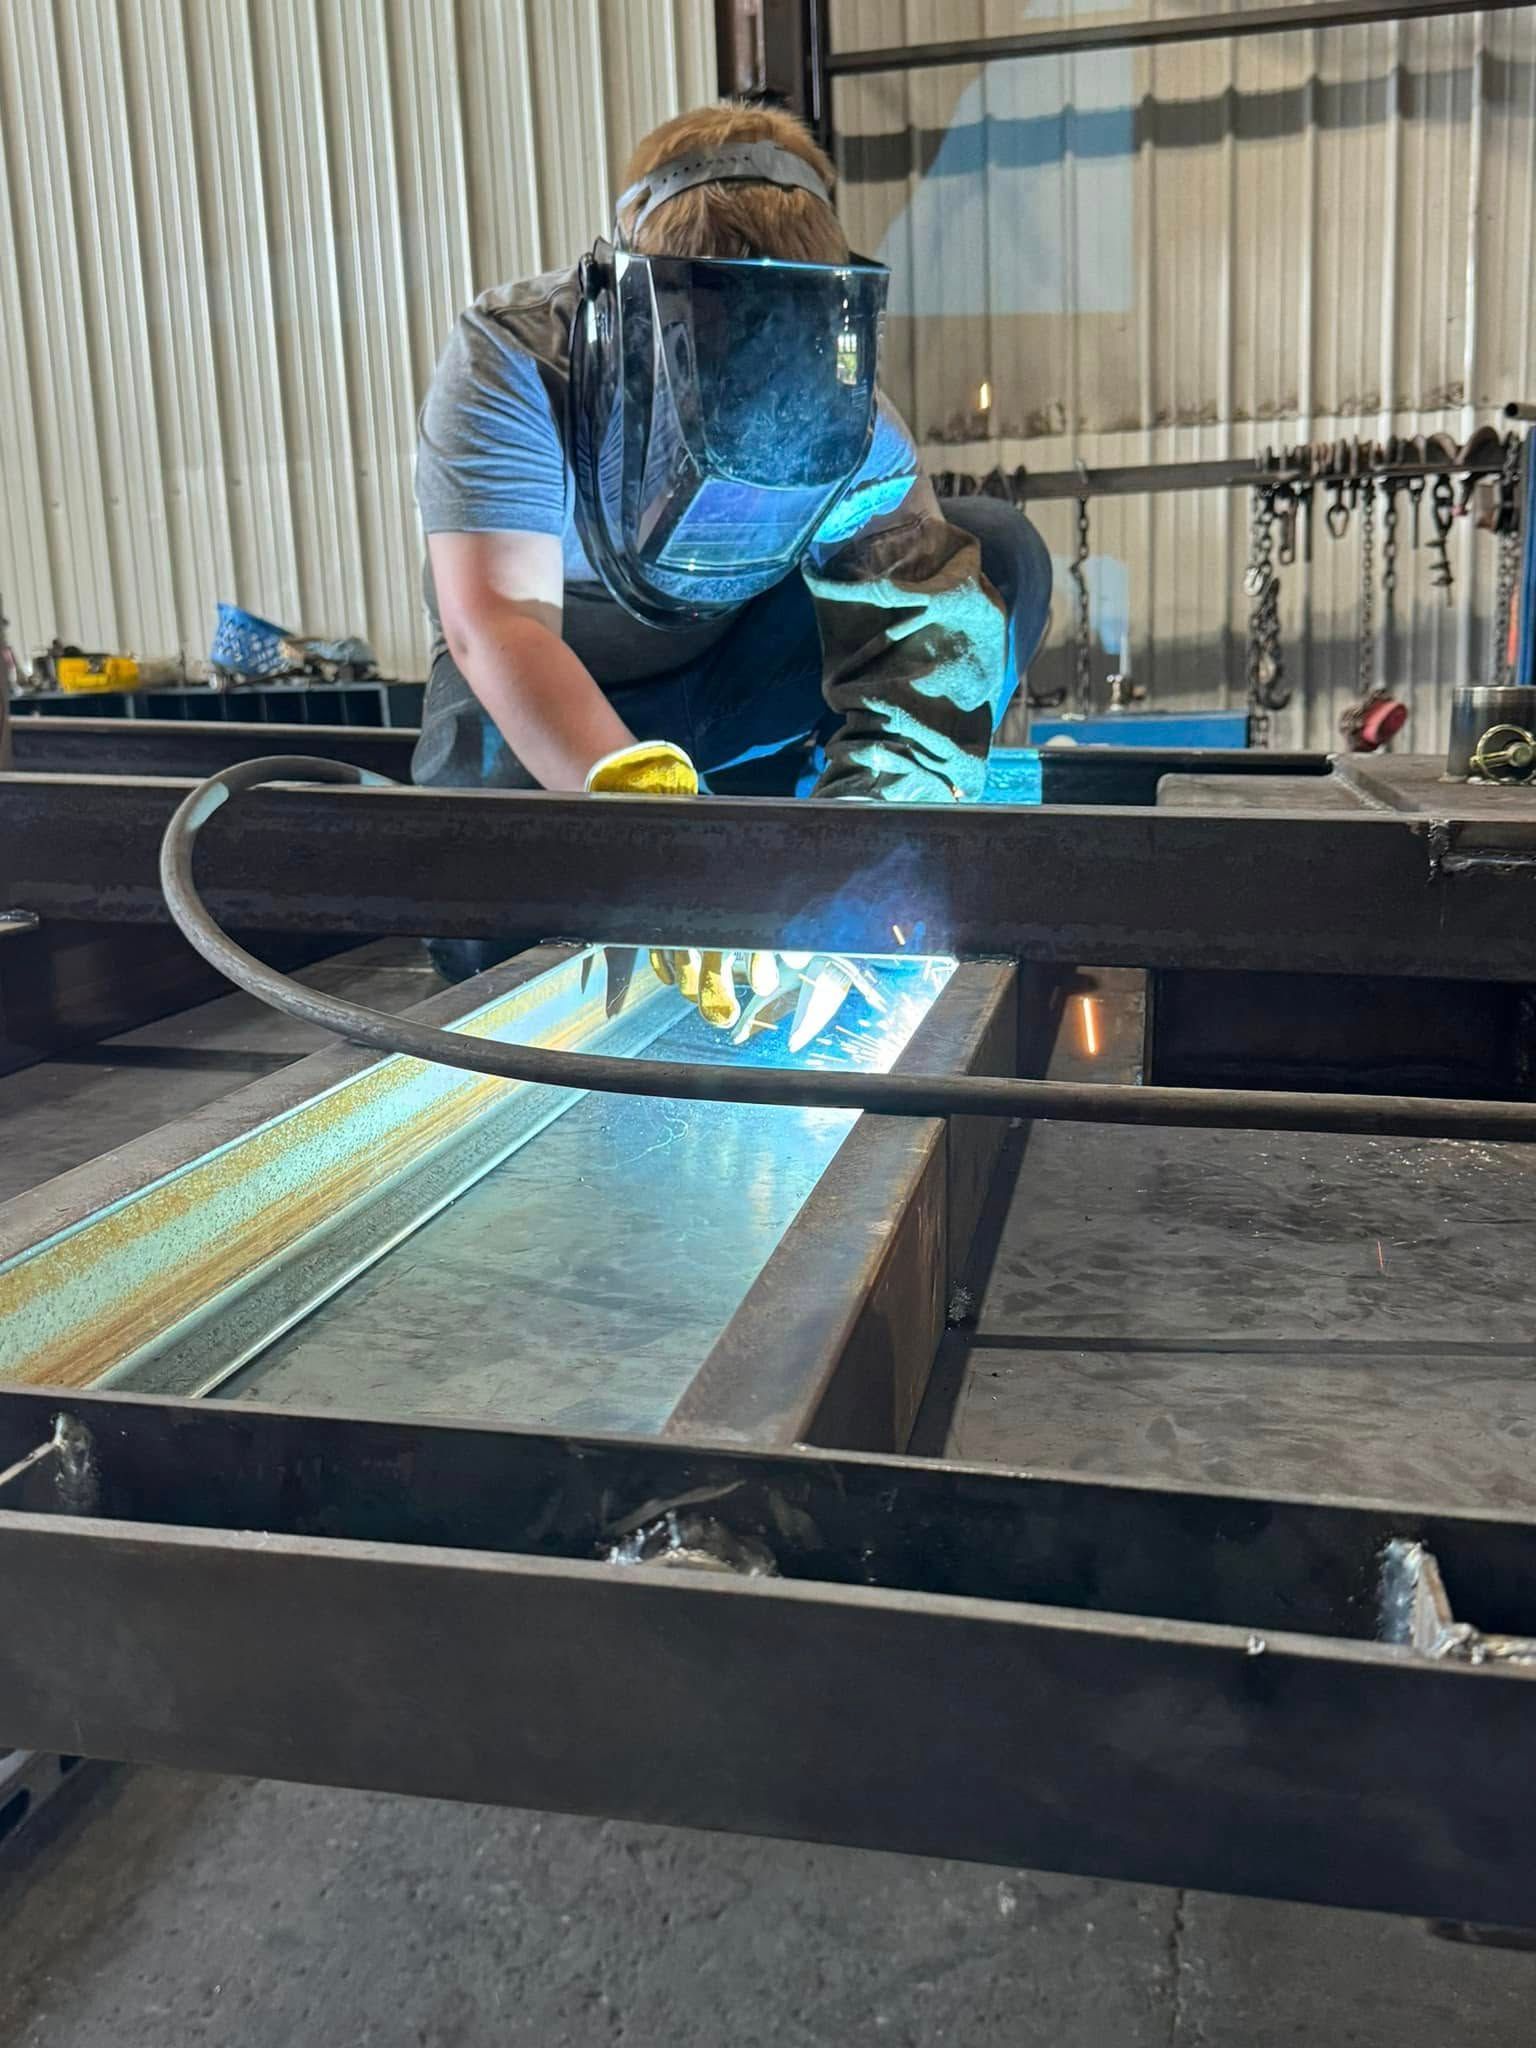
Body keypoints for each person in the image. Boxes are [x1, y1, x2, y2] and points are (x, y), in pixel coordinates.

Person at [414, 101, 1052, 1020]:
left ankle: (776, 812)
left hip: (735, 673)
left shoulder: (852, 407)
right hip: (545, 688)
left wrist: (854, 873)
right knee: (491, 937)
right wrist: (646, 817)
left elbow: (921, 643)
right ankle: (695, 815)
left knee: (997, 556)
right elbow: (497, 624)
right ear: (636, 304)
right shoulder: (516, 357)